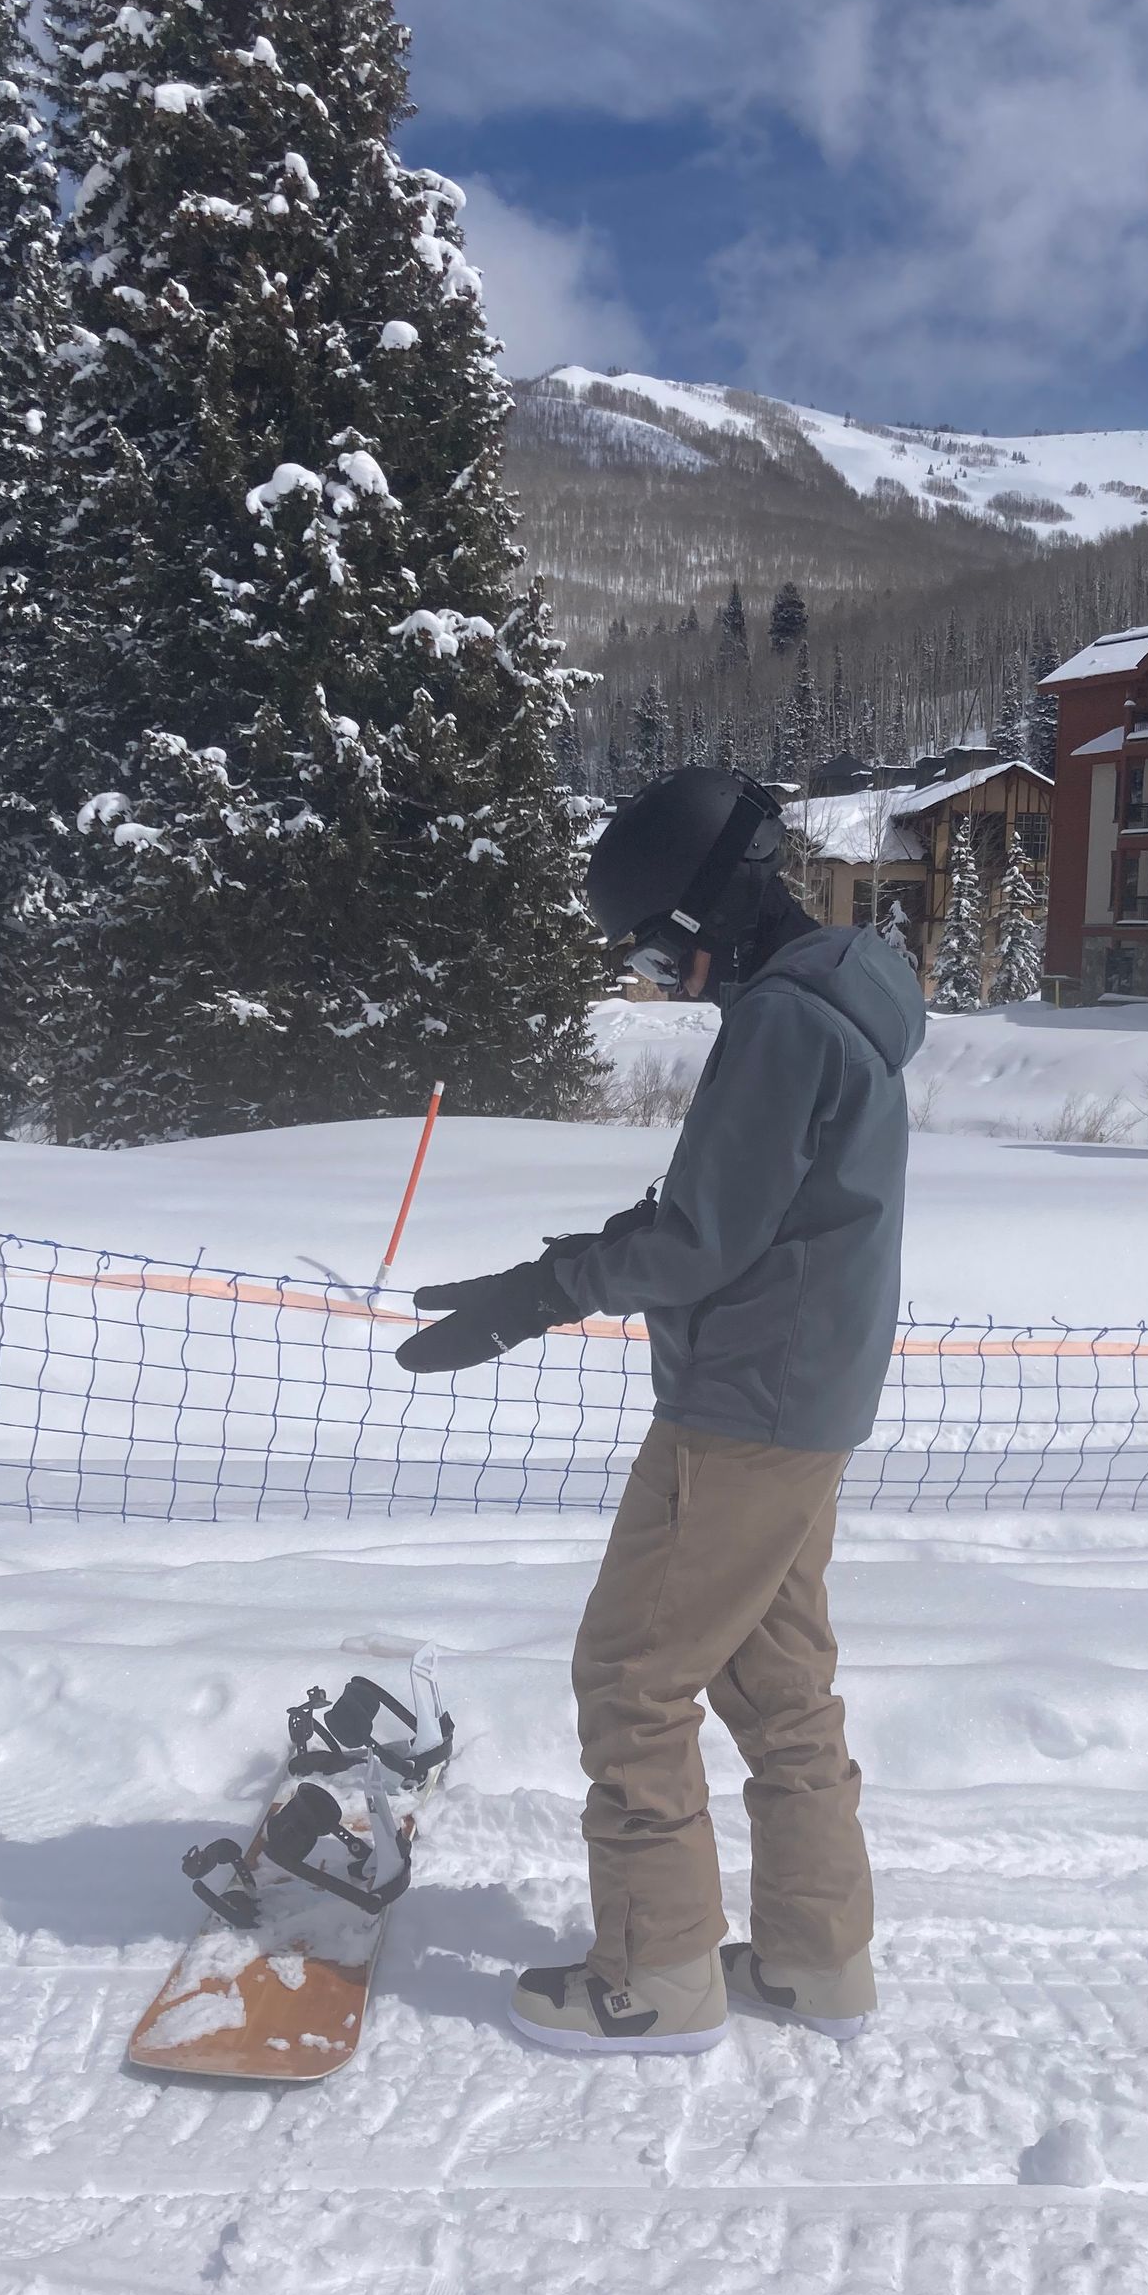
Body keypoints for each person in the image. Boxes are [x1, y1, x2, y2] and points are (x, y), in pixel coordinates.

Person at [397, 767, 925, 2055]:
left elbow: (698, 1239)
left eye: (655, 941)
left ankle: (657, 1976)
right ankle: (815, 1958)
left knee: (634, 1678)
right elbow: (733, 1213)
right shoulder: (833, 1004)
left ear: (709, 909)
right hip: (803, 1400)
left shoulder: (785, 1023)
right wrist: (555, 1274)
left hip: (744, 1408)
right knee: (775, 1680)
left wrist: (538, 1293)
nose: (656, 972)